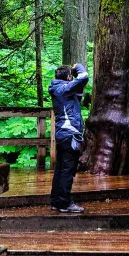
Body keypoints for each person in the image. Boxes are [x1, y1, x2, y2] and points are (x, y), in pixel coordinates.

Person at [48, 63, 89, 213]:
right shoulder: (64, 89)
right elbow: (84, 78)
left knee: (60, 169)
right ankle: (64, 203)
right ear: (69, 77)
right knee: (68, 170)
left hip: (63, 135)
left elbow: (78, 93)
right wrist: (79, 67)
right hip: (70, 135)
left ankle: (56, 201)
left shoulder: (60, 89)